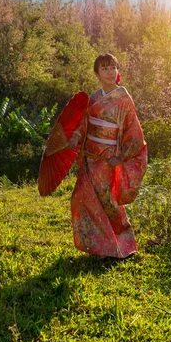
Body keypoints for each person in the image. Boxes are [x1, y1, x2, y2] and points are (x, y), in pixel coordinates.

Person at [67, 53, 147, 258]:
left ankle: (122, 244)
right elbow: (84, 123)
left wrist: (120, 156)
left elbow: (133, 131)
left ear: (117, 71)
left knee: (107, 199)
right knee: (80, 197)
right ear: (97, 73)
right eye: (105, 68)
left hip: (108, 157)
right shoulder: (93, 97)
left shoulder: (123, 98)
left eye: (113, 67)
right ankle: (97, 246)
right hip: (90, 156)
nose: (110, 72)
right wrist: (75, 138)